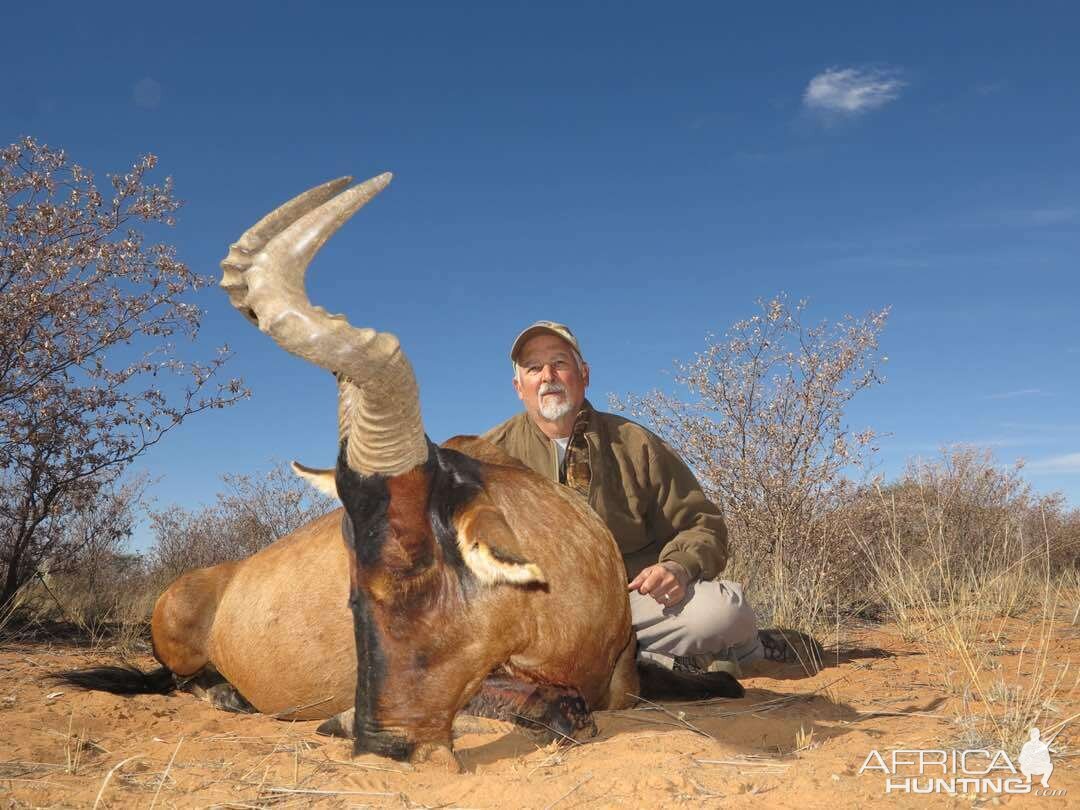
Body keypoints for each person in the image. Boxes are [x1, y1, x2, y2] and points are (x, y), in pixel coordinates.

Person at [483, 321, 822, 675]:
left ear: (584, 374)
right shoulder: (487, 457)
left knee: (723, 613)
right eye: (534, 368)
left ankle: (732, 648)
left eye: (560, 363)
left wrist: (676, 568)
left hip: (630, 605)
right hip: (536, 620)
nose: (547, 376)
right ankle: (670, 663)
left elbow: (702, 525)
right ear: (518, 387)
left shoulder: (634, 443)